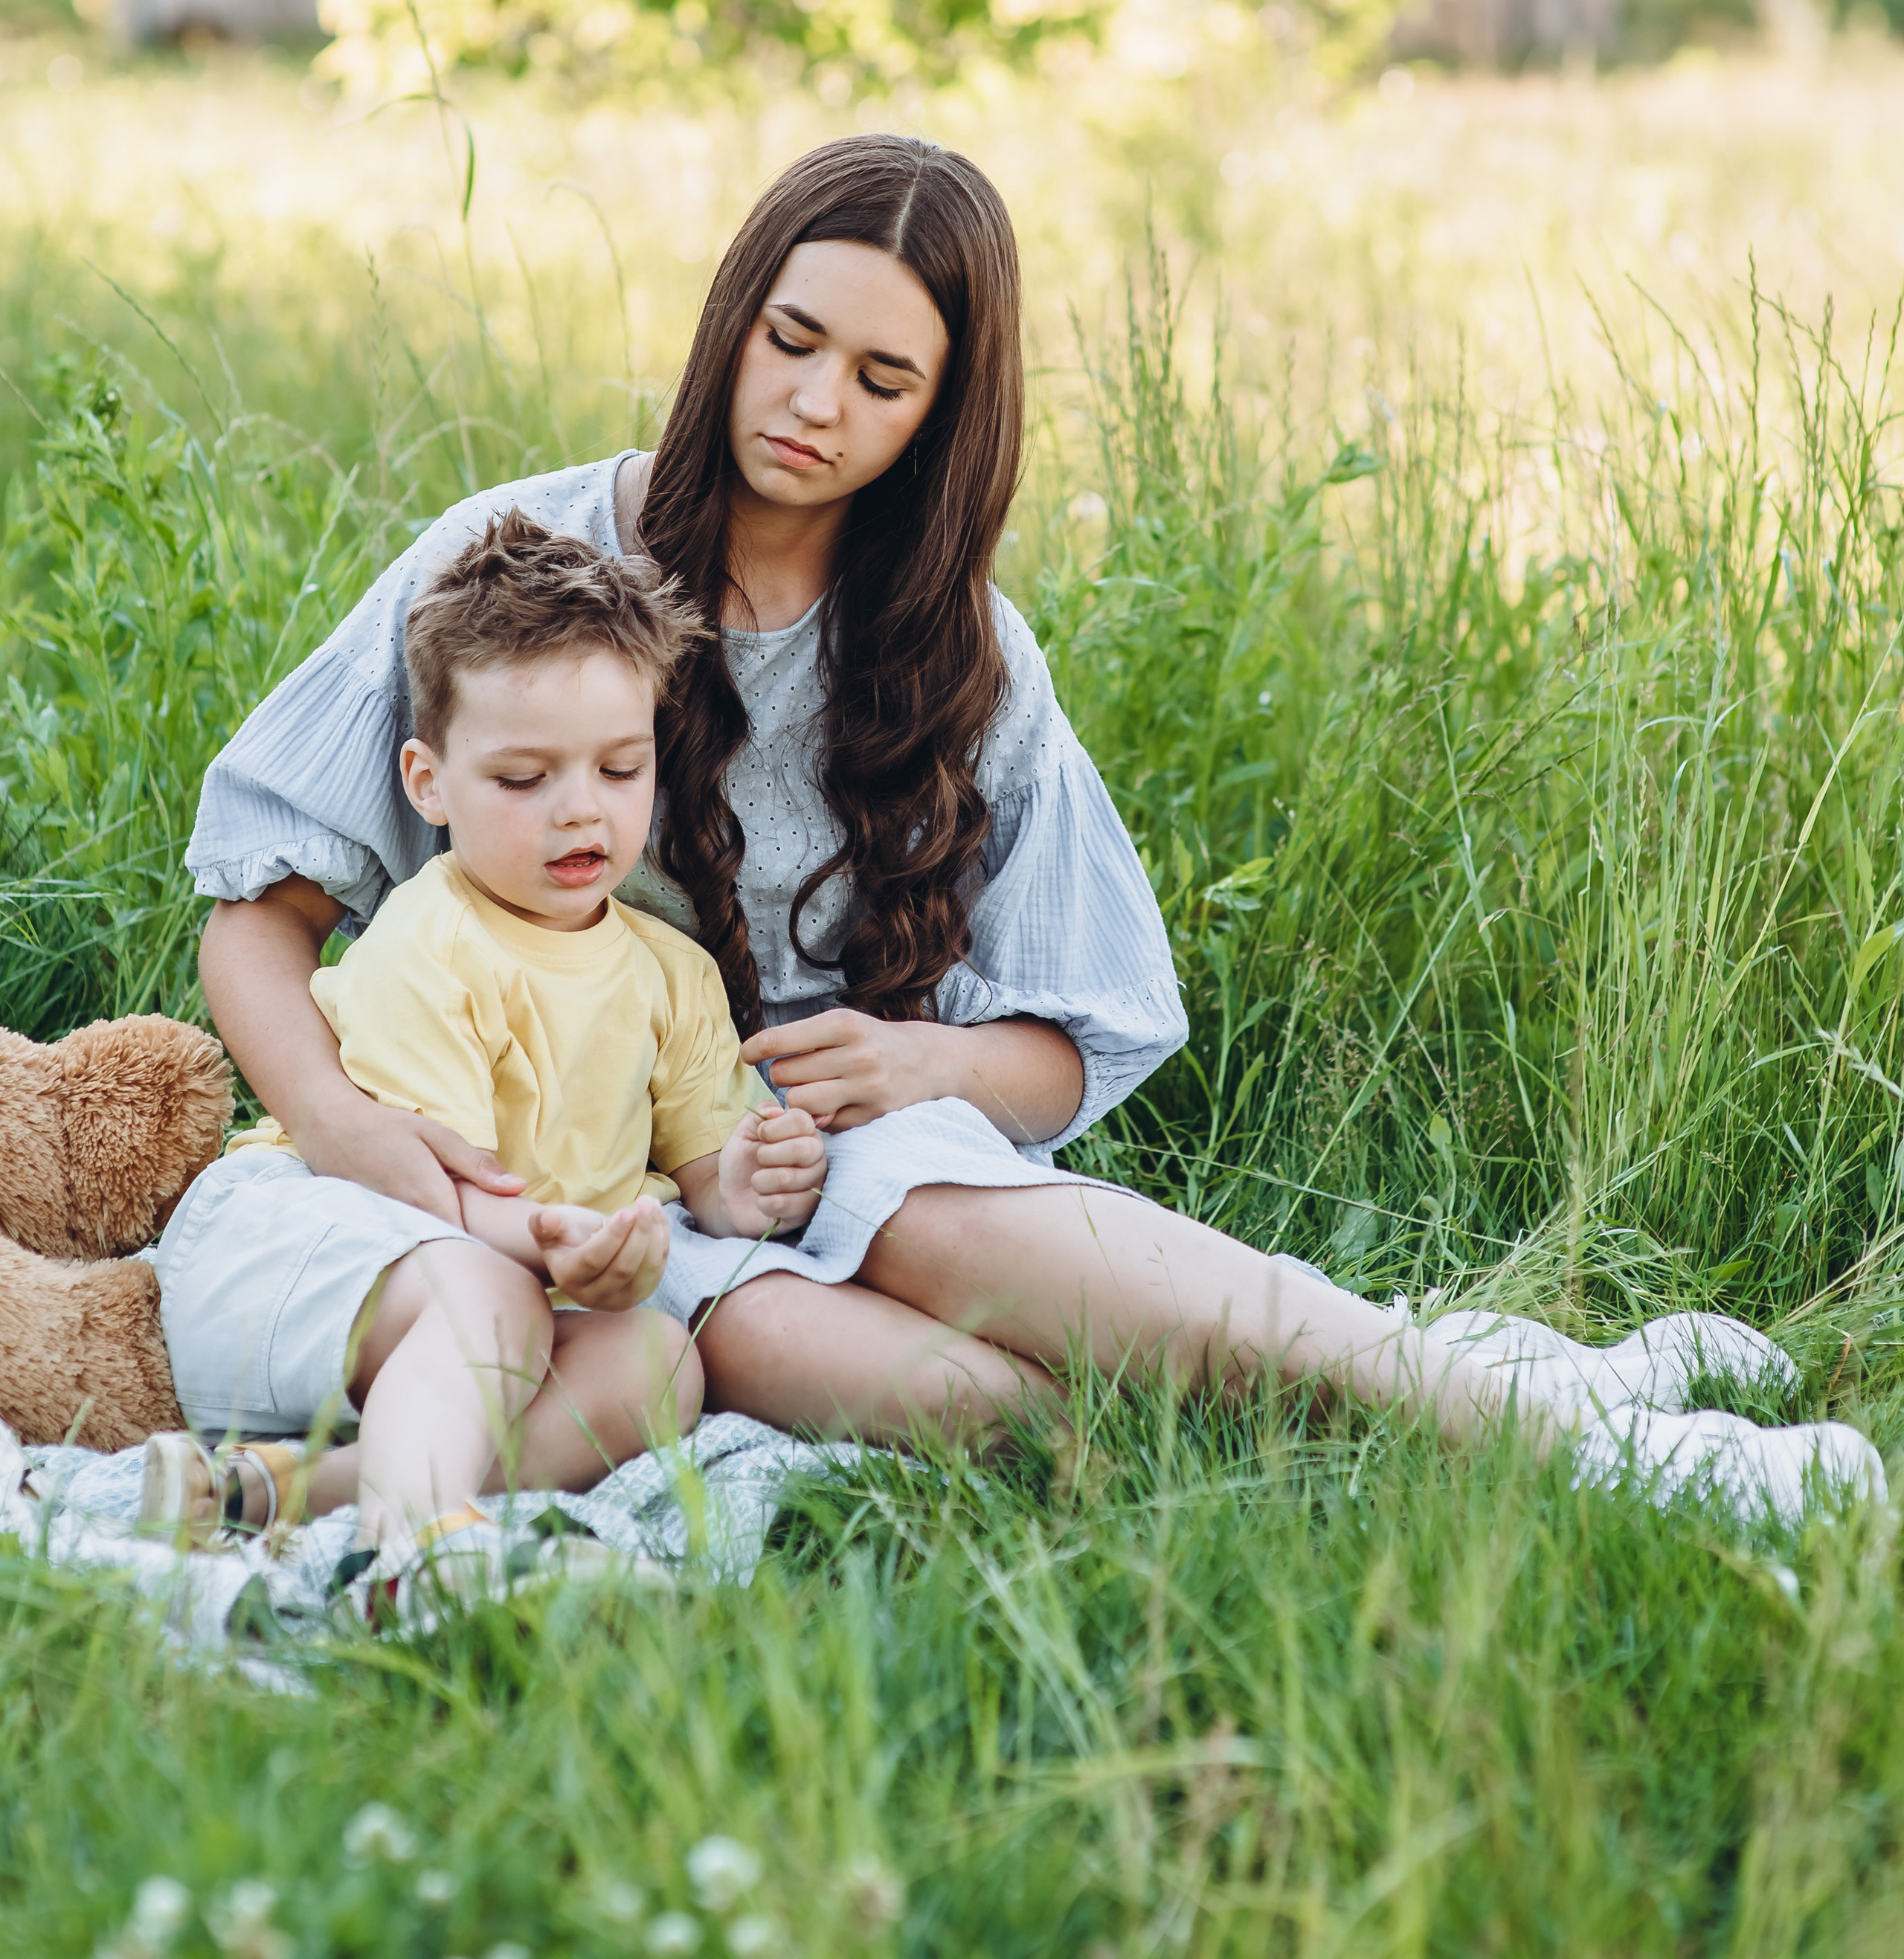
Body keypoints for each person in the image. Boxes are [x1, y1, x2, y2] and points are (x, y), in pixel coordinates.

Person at [188, 135, 1882, 1526]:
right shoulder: (521, 563)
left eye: (881, 376)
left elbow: (1086, 1032)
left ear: (938, 412)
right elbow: (258, 907)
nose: (813, 403)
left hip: (843, 1146)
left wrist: (925, 1071)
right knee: (1024, 1426)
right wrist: (345, 1128)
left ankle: (1596, 1446)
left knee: (938, 1219)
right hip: (585, 1194)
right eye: (790, 339)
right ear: (730, 321)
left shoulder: (956, 656)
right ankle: (1488, 1379)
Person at [145, 514, 828, 1609]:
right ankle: (411, 1553)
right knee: (497, 1292)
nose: (580, 808)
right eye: (522, 778)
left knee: (656, 1365)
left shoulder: (668, 972)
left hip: (470, 1312)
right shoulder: (436, 938)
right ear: (429, 781)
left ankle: (277, 1497)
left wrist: (757, 1177)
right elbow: (436, 1191)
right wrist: (567, 1245)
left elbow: (711, 1174)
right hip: (295, 1255)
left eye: (619, 766)